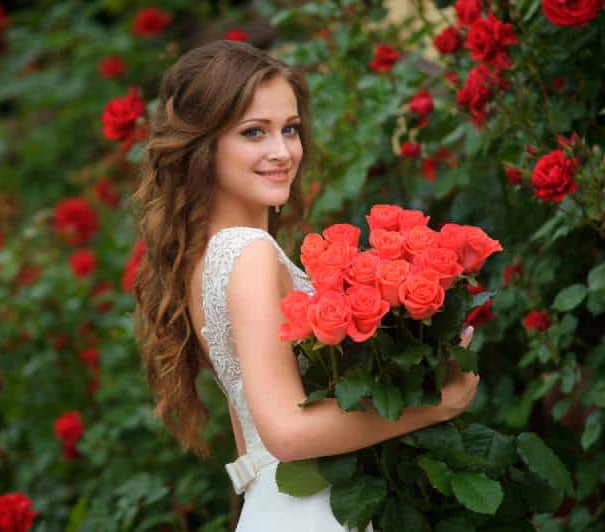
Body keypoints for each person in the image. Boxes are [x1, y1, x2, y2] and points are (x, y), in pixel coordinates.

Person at [131, 40, 479, 531]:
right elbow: (287, 433)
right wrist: (435, 404)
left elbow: (251, 436)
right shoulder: (248, 253)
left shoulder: (205, 257)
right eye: (254, 132)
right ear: (203, 147)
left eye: (289, 130)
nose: (282, 152)